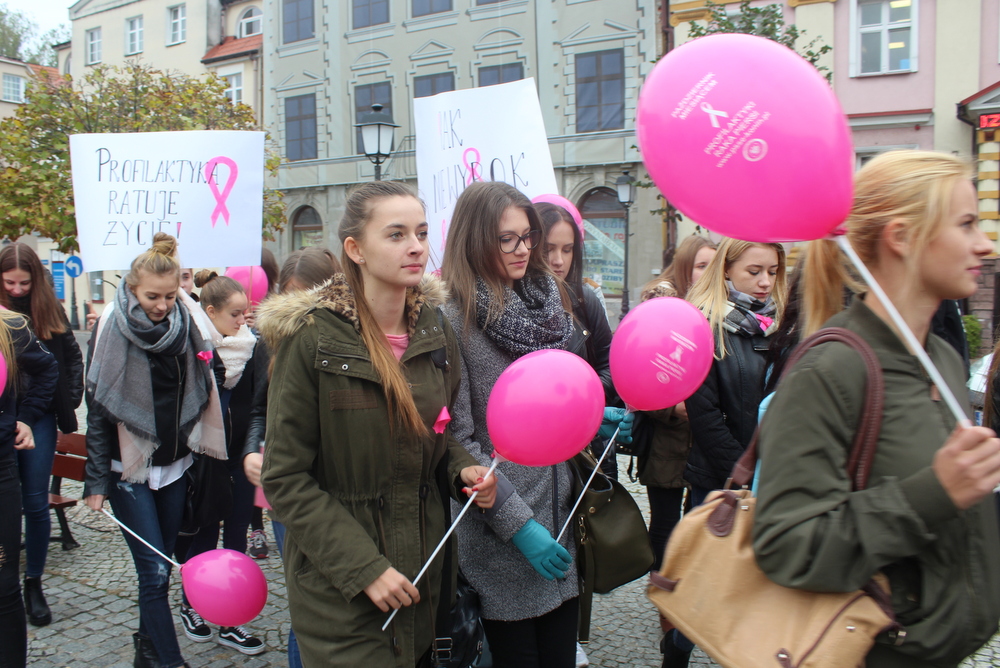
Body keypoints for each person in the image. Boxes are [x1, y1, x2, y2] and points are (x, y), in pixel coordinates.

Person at [754, 150, 1000, 668]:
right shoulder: (830, 370)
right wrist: (934, 492)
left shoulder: (942, 359)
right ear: (902, 237)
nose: (985, 243)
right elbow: (786, 544)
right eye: (966, 223)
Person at [259, 181, 497, 667]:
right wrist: (364, 568)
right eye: (395, 234)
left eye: (422, 232)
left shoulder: (435, 329)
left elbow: (439, 433)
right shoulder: (312, 340)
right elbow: (284, 479)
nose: (415, 246)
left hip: (423, 579)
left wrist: (462, 471)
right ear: (356, 249)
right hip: (340, 590)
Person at [442, 181, 631, 668]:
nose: (523, 249)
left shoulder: (549, 301)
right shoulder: (452, 320)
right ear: (475, 239)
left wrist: (592, 423)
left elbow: (555, 401)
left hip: (561, 515)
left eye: (527, 236)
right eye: (507, 238)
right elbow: (457, 441)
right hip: (499, 534)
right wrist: (518, 526)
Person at [84, 233, 227, 668]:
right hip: (128, 469)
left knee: (164, 568)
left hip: (175, 466)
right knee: (154, 572)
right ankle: (170, 661)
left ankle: (146, 651)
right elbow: (98, 408)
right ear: (131, 289)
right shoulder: (112, 329)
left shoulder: (187, 323)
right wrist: (95, 481)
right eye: (151, 296)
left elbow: (209, 378)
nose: (161, 305)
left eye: (169, 295)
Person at [242, 246, 339, 668]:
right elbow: (258, 409)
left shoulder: (349, 337)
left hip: (336, 489)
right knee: (304, 603)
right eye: (289, 298)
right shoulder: (273, 341)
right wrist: (250, 449)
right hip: (286, 491)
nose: (298, 312)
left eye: (307, 300)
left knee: (337, 604)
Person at [633, 236, 717, 667]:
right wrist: (676, 409)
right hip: (668, 441)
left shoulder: (720, 312)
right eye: (700, 265)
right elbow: (640, 380)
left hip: (704, 443)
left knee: (700, 523)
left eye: (712, 265)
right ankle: (667, 607)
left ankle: (690, 598)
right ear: (685, 268)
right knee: (666, 524)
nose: (706, 273)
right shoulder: (661, 311)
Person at [174, 271, 266, 654]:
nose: (243, 321)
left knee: (236, 537)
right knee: (204, 536)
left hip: (239, 459)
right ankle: (192, 603)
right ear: (209, 312)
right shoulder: (194, 347)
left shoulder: (253, 348)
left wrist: (249, 451)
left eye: (245, 313)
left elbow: (256, 406)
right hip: (206, 459)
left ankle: (231, 620)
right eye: (234, 314)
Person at [0, 243, 84, 627]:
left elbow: (68, 360)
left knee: (35, 503)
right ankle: (8, 583)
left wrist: (68, 401)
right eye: (9, 283)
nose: (17, 290)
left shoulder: (49, 309)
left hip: (40, 416)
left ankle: (33, 581)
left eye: (24, 282)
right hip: (5, 413)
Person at [683, 238, 786, 503]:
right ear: (726, 269)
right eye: (754, 272)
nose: (765, 281)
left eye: (772, 272)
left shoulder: (785, 325)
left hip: (778, 479)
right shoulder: (703, 325)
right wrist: (745, 475)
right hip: (720, 484)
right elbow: (705, 416)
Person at [536, 202, 624, 477]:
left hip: (586, 447)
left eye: (567, 249)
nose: (559, 260)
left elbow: (610, 364)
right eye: (548, 249)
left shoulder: (585, 301)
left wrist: (585, 397)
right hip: (534, 447)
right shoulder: (511, 305)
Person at [0, 310, 58, 668]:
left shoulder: (11, 326)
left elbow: (47, 369)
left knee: (4, 587)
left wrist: (26, 416)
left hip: (1, 469)